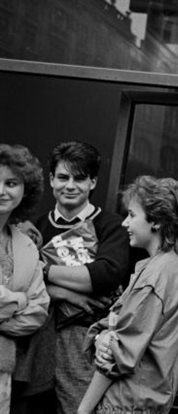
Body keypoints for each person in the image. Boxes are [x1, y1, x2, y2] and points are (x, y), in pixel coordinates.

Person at [11, 141, 131, 414]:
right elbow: (19, 286)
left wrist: (42, 270)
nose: (70, 185)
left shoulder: (111, 225)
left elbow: (104, 275)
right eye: (63, 177)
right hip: (35, 342)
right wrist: (65, 292)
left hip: (82, 345)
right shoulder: (34, 228)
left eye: (79, 178)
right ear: (51, 179)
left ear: (93, 182)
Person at [77, 175, 178, 413]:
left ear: (156, 221)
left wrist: (83, 409)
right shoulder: (170, 266)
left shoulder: (155, 276)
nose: (124, 223)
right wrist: (102, 337)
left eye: (131, 215)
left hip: (126, 404)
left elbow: (117, 356)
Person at [0, 144, 49, 411]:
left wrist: (7, 304)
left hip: (3, 368)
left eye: (11, 183)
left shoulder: (27, 246)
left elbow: (39, 311)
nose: (1, 191)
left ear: (25, 190)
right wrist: (20, 300)